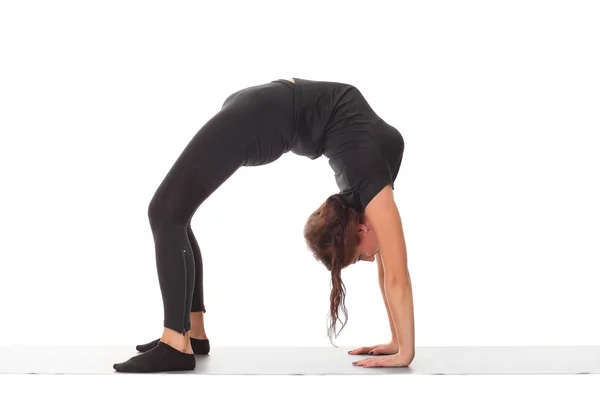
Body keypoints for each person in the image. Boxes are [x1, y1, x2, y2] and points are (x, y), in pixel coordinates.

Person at [113, 77, 415, 373]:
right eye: (362, 256)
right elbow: (396, 276)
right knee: (166, 212)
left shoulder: (365, 187)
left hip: (265, 110)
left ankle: (189, 335)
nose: (372, 258)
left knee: (175, 213)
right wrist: (406, 353)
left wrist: (398, 342)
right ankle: (179, 342)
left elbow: (389, 270)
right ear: (361, 230)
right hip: (262, 117)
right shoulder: (368, 177)